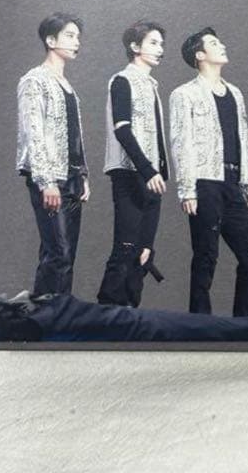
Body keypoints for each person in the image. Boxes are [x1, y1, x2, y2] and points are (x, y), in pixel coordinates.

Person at [169, 28, 248, 316]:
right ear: (200, 55)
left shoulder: (235, 93)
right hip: (204, 181)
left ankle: (244, 324)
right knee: (206, 256)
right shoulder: (184, 94)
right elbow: (181, 142)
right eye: (213, 43)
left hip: (233, 183)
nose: (222, 45)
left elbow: (242, 139)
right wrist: (187, 189)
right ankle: (199, 324)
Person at [16, 12, 90, 295]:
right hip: (49, 177)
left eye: (78, 37)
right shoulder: (34, 80)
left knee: (65, 255)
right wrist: (46, 181)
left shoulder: (67, 86)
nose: (76, 42)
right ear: (50, 40)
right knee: (58, 252)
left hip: (71, 178)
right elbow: (33, 132)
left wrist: (83, 175)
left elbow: (74, 135)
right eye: (69, 36)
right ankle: (47, 316)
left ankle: (57, 312)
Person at [97, 21, 168, 307]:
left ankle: (129, 314)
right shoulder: (122, 80)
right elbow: (122, 129)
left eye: (161, 44)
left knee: (143, 252)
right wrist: (148, 170)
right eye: (153, 43)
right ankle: (108, 311)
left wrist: (159, 171)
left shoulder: (151, 85)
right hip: (130, 173)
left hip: (153, 177)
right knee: (126, 247)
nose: (160, 49)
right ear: (135, 46)